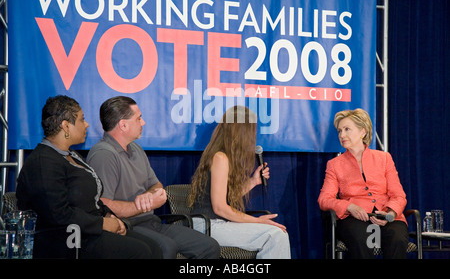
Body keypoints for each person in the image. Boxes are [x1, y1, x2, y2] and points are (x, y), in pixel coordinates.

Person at [16, 95, 162, 259]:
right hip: (65, 240)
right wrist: (103, 224)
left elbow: (90, 200)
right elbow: (57, 214)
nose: (87, 124)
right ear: (66, 126)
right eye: (81, 120)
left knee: (154, 248)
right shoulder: (43, 162)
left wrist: (109, 216)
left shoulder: (71, 155)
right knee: (141, 252)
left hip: (87, 231)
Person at [86, 96, 220, 259]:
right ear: (123, 124)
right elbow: (104, 205)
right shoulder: (104, 154)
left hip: (151, 222)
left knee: (209, 247)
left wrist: (149, 196)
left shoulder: (136, 149)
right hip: (127, 226)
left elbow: (157, 185)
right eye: (139, 118)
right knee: (166, 248)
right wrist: (141, 206)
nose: (143, 123)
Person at [188, 105, 291, 259]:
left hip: (218, 223)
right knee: (274, 235)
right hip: (207, 225)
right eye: (252, 131)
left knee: (277, 233)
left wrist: (253, 181)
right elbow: (220, 208)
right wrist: (257, 222)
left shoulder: (223, 157)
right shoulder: (220, 158)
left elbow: (228, 196)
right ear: (242, 132)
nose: (254, 136)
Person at [318, 108, 409, 259]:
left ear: (363, 132)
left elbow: (399, 195)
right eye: (339, 131)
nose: (342, 135)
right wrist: (349, 206)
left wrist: (390, 214)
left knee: (397, 238)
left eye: (347, 129)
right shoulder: (334, 164)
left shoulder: (384, 158)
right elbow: (324, 200)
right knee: (362, 239)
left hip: (387, 216)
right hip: (354, 219)